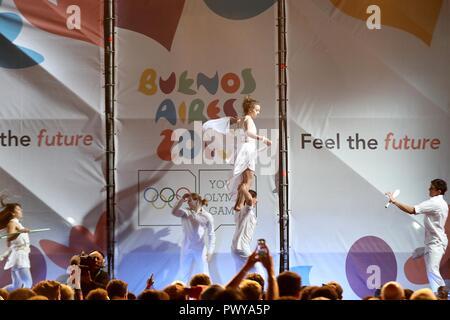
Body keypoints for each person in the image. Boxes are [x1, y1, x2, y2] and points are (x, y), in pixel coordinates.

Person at [203, 96, 272, 211]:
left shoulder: (241, 120)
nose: (258, 113)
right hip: (247, 149)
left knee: (246, 179)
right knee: (248, 179)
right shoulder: (248, 119)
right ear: (250, 109)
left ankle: (238, 204)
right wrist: (264, 139)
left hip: (243, 148)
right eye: (257, 110)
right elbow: (248, 133)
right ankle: (240, 198)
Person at [386, 178, 448, 293]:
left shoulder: (435, 203)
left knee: (432, 271)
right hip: (436, 241)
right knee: (419, 256)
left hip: (436, 243)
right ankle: (440, 294)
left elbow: (412, 210)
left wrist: (394, 201)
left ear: (439, 191)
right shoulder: (442, 203)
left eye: (432, 188)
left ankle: (443, 296)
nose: (429, 189)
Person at [172, 192, 216, 284]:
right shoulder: (185, 212)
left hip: (200, 249)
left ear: (197, 201)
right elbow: (174, 212)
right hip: (186, 248)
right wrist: (182, 199)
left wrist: (211, 251)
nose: (187, 203)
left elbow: (211, 235)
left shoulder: (207, 216)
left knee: (204, 274)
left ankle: (206, 295)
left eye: (190, 200)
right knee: (183, 275)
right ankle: (181, 295)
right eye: (187, 201)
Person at [0, 200, 32, 291]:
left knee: (16, 286)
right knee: (28, 283)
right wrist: (20, 232)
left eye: (20, 209)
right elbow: (9, 238)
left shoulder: (17, 223)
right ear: (13, 213)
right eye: (18, 209)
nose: (21, 211)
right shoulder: (12, 223)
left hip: (20, 256)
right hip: (19, 257)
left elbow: (9, 242)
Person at [231, 189, 264, 275]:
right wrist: (243, 188)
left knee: (241, 274)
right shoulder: (246, 211)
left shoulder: (240, 211)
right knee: (259, 272)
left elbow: (237, 206)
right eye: (255, 198)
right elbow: (249, 200)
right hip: (241, 247)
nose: (257, 200)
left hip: (237, 247)